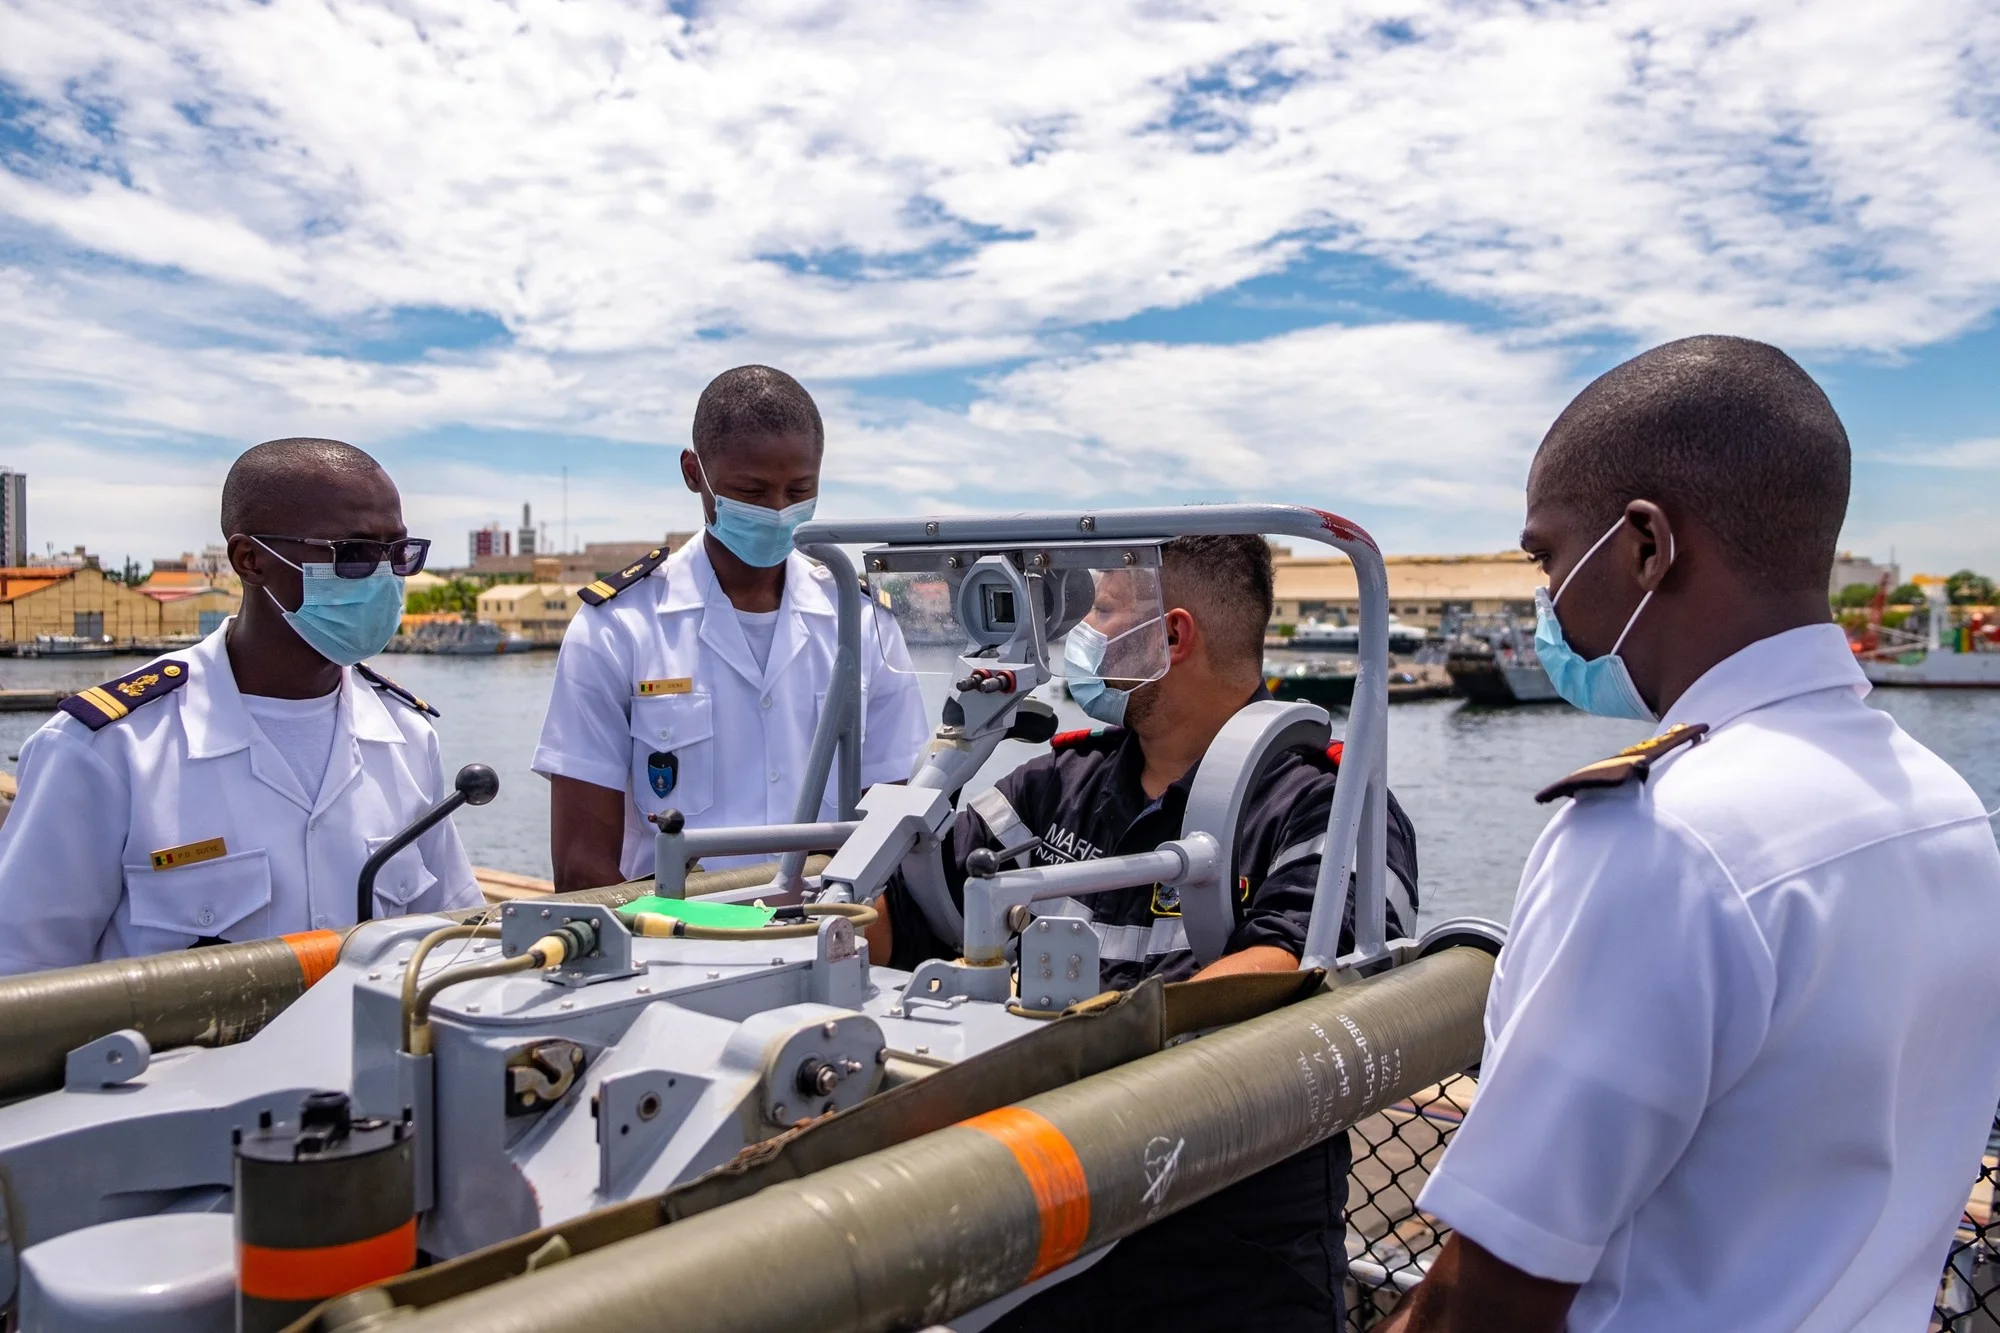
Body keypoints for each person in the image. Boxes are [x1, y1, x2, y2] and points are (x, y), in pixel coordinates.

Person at [1383, 337, 2000, 1333]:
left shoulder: (1661, 839)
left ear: (1642, 545)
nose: (1546, 601)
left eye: (1546, 556)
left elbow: (1494, 1292)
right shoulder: (1943, 807)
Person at [878, 533, 1420, 1332]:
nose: (1079, 632)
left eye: (1100, 607)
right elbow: (905, 917)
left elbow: (1291, 976)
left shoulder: (1331, 810)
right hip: (1039, 1243)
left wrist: (1067, 1053)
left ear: (1171, 636)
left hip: (1223, 1264)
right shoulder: (1047, 788)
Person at [0, 438, 483, 975]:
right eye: (352, 553)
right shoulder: (108, 750)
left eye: (399, 553)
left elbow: (454, 945)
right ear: (250, 560)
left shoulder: (407, 736)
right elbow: (22, 978)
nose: (383, 576)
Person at [535, 366, 928, 890]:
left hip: (829, 933)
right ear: (694, 472)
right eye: (751, 491)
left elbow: (893, 832)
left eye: (799, 490)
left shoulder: (862, 624)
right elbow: (582, 870)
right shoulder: (617, 629)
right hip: (672, 949)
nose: (777, 510)